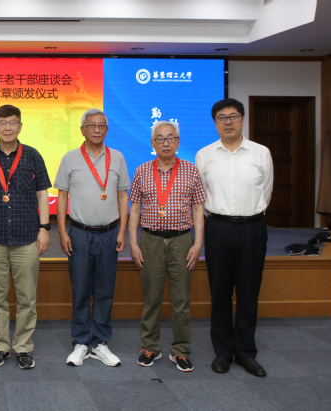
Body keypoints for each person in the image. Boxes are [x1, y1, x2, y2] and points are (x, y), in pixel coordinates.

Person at [195, 98, 273, 377]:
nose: (227, 122)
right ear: (215, 122)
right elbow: (201, 195)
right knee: (220, 292)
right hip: (218, 228)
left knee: (249, 292)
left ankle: (246, 353)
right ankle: (223, 351)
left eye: (233, 116)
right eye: (221, 118)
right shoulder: (204, 154)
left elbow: (266, 192)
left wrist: (248, 217)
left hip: (253, 228)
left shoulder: (261, 153)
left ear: (242, 119)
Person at [0, 105, 51, 369]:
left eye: (13, 122)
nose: (8, 127)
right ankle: (1, 346)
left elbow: (42, 193)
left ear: (20, 126)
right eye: (3, 122)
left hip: (27, 237)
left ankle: (23, 347)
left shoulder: (33, 155)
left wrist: (44, 228)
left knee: (27, 297)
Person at [128, 121, 206, 372]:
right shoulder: (142, 170)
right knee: (152, 298)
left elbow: (198, 209)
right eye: (160, 139)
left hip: (182, 241)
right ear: (153, 143)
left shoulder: (190, 170)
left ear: (178, 142)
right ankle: (150, 346)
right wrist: (133, 243)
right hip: (150, 240)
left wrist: (197, 243)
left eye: (171, 138)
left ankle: (180, 350)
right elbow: (134, 209)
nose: (165, 143)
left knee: (181, 300)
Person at [54, 108, 129, 367]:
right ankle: (81, 342)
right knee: (81, 290)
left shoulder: (117, 157)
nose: (97, 130)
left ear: (107, 130)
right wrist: (62, 232)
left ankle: (100, 343)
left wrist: (122, 231)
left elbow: (122, 196)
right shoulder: (70, 158)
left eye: (101, 126)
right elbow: (62, 196)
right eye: (92, 125)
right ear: (82, 130)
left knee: (105, 290)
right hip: (79, 233)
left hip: (109, 234)